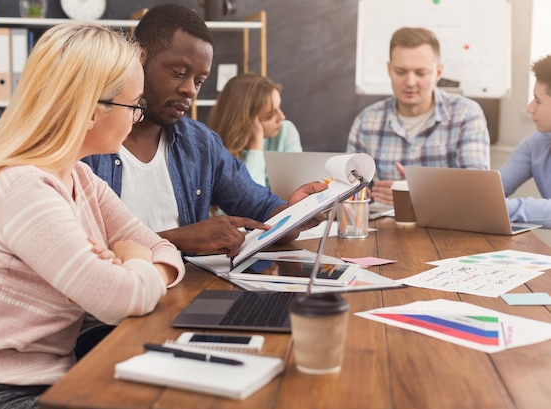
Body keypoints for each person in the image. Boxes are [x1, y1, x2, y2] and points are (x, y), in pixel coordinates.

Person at [0, 22, 185, 409]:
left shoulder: (82, 178)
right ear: (91, 109)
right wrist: (133, 264)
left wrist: (135, 266)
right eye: (134, 105)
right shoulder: (22, 187)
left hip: (42, 380)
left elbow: (164, 252)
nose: (137, 118)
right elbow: (118, 300)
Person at [82, 4, 325, 258]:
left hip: (190, 291)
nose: (191, 90)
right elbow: (76, 254)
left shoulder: (200, 144)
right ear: (140, 60)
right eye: (179, 73)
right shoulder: (88, 143)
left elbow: (264, 211)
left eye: (199, 81)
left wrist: (297, 212)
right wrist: (178, 239)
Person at [347, 27, 490, 205]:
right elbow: (350, 184)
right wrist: (357, 194)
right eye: (400, 72)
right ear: (389, 69)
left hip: (444, 228)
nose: (410, 82)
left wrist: (418, 193)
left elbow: (477, 188)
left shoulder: (466, 114)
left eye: (420, 73)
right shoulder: (367, 120)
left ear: (438, 72)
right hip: (380, 228)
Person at [208, 73, 302, 187]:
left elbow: (296, 190)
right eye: (270, 114)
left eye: (279, 108)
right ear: (244, 119)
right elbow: (249, 200)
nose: (282, 117)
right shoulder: (215, 147)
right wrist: (256, 145)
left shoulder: (286, 131)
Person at [499, 54, 551, 229]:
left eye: (538, 101)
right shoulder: (536, 143)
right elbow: (493, 190)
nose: (530, 108)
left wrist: (504, 208)